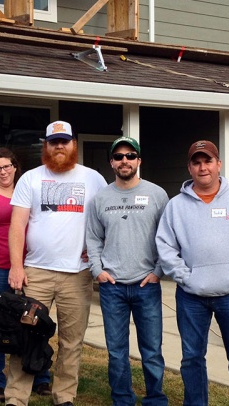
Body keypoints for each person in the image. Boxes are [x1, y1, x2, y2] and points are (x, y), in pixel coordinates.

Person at [155, 140, 229, 406]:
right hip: (191, 297)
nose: (202, 167)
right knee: (192, 358)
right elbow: (165, 246)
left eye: (208, 161)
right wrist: (184, 276)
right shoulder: (176, 206)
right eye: (196, 162)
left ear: (218, 164)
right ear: (189, 167)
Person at [6, 120, 107, 406]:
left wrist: (97, 251)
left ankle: (64, 396)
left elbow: (104, 221)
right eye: (54, 142)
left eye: (65, 141)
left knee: (72, 341)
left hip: (77, 274)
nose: (59, 146)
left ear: (74, 144)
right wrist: (16, 266)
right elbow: (17, 226)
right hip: (36, 272)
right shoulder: (31, 178)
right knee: (27, 335)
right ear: (46, 146)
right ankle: (16, 397)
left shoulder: (93, 179)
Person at [85, 137, 169, 406]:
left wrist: (158, 271)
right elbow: (94, 238)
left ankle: (155, 398)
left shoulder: (157, 195)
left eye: (130, 156)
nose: (125, 161)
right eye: (119, 156)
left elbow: (167, 238)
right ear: (111, 162)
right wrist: (97, 270)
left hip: (147, 285)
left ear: (139, 161)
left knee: (152, 351)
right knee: (117, 351)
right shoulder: (100, 198)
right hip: (113, 287)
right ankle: (122, 399)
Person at [0, 148, 52, 403]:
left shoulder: (29, 190)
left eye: (7, 166)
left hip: (32, 267)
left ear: (16, 167)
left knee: (34, 324)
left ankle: (40, 376)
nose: (3, 172)